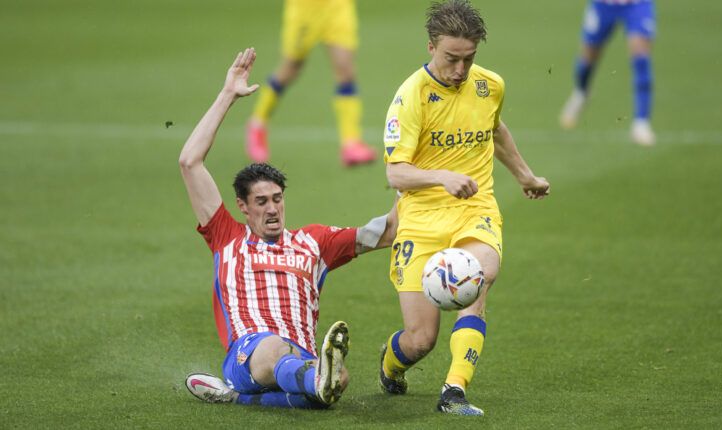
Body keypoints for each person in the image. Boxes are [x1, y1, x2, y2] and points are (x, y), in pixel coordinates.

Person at [179, 48, 396, 409]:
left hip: (300, 354)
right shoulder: (226, 237)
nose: (272, 208)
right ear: (243, 207)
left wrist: (413, 178)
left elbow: (387, 232)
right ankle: (309, 380)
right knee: (276, 352)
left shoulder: (315, 242)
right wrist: (228, 95)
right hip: (251, 351)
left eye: (277, 199)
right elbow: (190, 162)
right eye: (261, 202)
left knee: (338, 381)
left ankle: (245, 398)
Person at [378, 0, 550, 417]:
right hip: (420, 218)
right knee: (420, 339)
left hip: (475, 210)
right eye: (451, 59)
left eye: (468, 59)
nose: (460, 69)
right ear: (431, 46)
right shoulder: (411, 97)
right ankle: (390, 364)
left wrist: (524, 176)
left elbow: (495, 129)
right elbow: (396, 175)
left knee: (477, 277)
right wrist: (442, 176)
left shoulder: (490, 85)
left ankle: (454, 390)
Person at [245, 0, 377, 166]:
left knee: (346, 71)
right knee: (290, 68)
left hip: (337, 7)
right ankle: (258, 124)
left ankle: (350, 143)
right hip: (305, 9)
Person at [559, 0, 657, 146]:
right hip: (604, 4)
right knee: (588, 57)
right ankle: (581, 92)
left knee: (640, 57)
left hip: (637, 4)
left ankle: (641, 121)